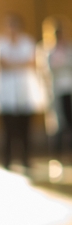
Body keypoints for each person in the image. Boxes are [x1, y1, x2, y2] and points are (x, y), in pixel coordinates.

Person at [0, 13, 44, 170]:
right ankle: (7, 161)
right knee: (7, 130)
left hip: (25, 92)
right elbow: (0, 63)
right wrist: (19, 64)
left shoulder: (27, 41)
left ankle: (25, 159)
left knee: (25, 128)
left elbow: (32, 63)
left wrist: (13, 64)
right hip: (5, 94)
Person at [39, 17, 72, 158]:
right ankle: (57, 154)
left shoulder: (69, 49)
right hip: (55, 91)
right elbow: (45, 70)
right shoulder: (46, 50)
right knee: (57, 123)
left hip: (69, 89)